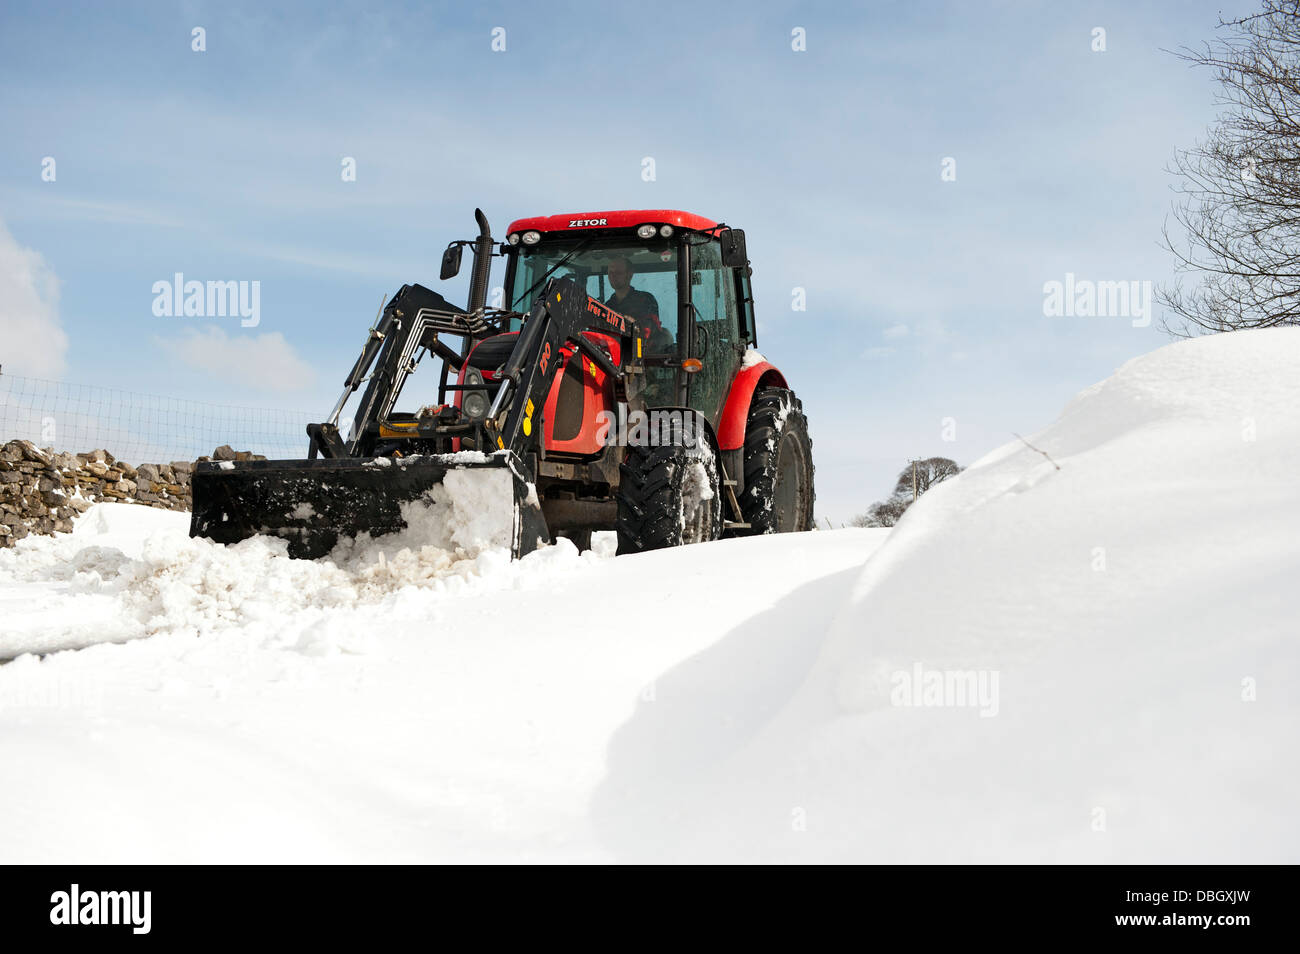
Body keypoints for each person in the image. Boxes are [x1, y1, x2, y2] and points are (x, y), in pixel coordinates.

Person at [605, 257, 672, 350]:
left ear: (630, 275)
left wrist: (632, 324)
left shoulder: (645, 300)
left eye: (618, 273)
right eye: (610, 273)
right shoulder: (607, 306)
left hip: (645, 356)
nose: (613, 276)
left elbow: (649, 330)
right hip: (611, 357)